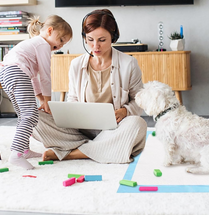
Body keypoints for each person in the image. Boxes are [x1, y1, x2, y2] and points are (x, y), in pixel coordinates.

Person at [32, 9, 147, 163]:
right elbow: (72, 99)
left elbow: (140, 100)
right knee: (32, 117)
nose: (95, 46)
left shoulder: (129, 64)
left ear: (113, 38)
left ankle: (73, 153)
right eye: (90, 39)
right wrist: (62, 112)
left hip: (114, 129)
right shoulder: (76, 64)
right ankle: (103, 149)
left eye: (102, 40)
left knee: (137, 124)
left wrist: (125, 111)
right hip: (80, 130)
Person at [0, 15, 72, 169]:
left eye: (63, 44)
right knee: (30, 115)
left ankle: (24, 150)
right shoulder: (43, 45)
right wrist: (47, 100)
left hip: (7, 73)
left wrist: (41, 98)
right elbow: (45, 75)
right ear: (50, 31)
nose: (60, 46)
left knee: (23, 115)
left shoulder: (32, 44)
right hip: (16, 73)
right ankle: (16, 154)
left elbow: (34, 78)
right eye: (60, 40)